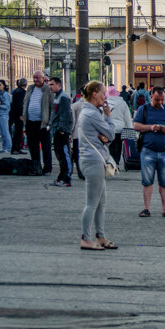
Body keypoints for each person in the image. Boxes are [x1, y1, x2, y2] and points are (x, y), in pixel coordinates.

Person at [77, 80, 117, 251]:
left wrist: (104, 135)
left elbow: (105, 136)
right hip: (93, 160)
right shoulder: (92, 114)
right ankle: (86, 238)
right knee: (92, 202)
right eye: (103, 93)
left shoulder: (89, 111)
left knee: (101, 202)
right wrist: (108, 116)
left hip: (92, 159)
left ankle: (100, 236)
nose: (105, 97)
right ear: (94, 94)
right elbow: (110, 134)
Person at [133, 87, 165, 218]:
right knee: (147, 181)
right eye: (157, 100)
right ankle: (146, 208)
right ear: (151, 97)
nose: (160, 102)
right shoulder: (144, 109)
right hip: (148, 151)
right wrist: (150, 127)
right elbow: (136, 125)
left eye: (162, 100)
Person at [21, 71, 53, 174]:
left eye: (37, 78)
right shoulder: (30, 89)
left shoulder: (48, 89)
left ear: (43, 78)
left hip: (43, 123)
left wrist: (50, 121)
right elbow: (26, 102)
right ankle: (36, 166)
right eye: (34, 78)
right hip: (30, 122)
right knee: (33, 146)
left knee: (45, 146)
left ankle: (47, 168)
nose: (35, 80)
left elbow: (52, 106)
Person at [48, 77, 75, 187]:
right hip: (57, 130)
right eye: (49, 84)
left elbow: (66, 114)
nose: (50, 87)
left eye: (52, 84)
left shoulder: (63, 98)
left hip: (61, 131)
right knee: (60, 155)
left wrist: (62, 129)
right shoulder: (58, 97)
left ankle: (66, 178)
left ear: (59, 85)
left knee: (64, 154)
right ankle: (61, 177)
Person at [105, 86, 134, 162]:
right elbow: (127, 117)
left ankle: (112, 161)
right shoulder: (122, 103)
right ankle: (117, 161)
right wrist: (130, 128)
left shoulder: (105, 104)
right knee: (119, 145)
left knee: (111, 145)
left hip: (109, 128)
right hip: (120, 128)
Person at [0, 80, 12, 154]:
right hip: (0, 114)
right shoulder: (1, 94)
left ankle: (8, 147)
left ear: (4, 86)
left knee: (5, 132)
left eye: (0, 85)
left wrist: (0, 105)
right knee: (2, 132)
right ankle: (4, 147)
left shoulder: (5, 95)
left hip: (4, 115)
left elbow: (7, 106)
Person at [10, 77, 27, 154]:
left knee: (17, 132)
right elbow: (20, 104)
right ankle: (16, 149)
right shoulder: (22, 92)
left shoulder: (16, 91)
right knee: (19, 132)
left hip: (14, 114)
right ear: (25, 84)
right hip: (19, 115)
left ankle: (16, 148)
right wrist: (21, 114)